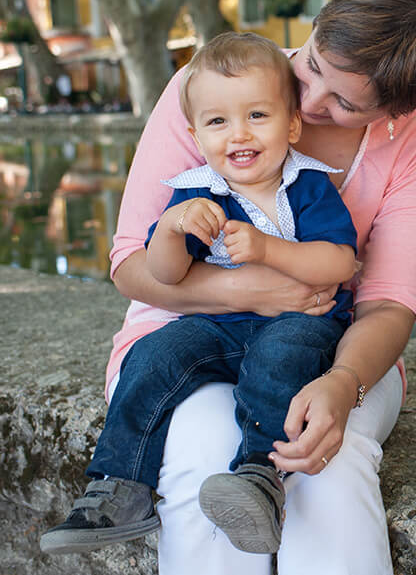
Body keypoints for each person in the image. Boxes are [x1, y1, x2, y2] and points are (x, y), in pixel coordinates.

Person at [72, 0, 416, 575]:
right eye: (313, 67)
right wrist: (254, 288)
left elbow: (387, 301)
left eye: (346, 104)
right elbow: (130, 262)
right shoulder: (215, 87)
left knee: (326, 460)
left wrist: (345, 382)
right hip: (187, 327)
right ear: (313, 30)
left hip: (330, 341)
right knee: (200, 451)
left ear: (397, 112)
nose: (309, 103)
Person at [41, 32, 360, 556]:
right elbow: (166, 276)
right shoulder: (197, 191)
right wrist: (170, 228)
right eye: (218, 122)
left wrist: (266, 249)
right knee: (156, 354)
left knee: (280, 360)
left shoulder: (307, 184)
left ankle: (259, 475)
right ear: (196, 133)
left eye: (257, 115)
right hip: (219, 325)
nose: (239, 133)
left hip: (303, 323)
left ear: (292, 124)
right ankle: (119, 485)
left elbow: (340, 262)